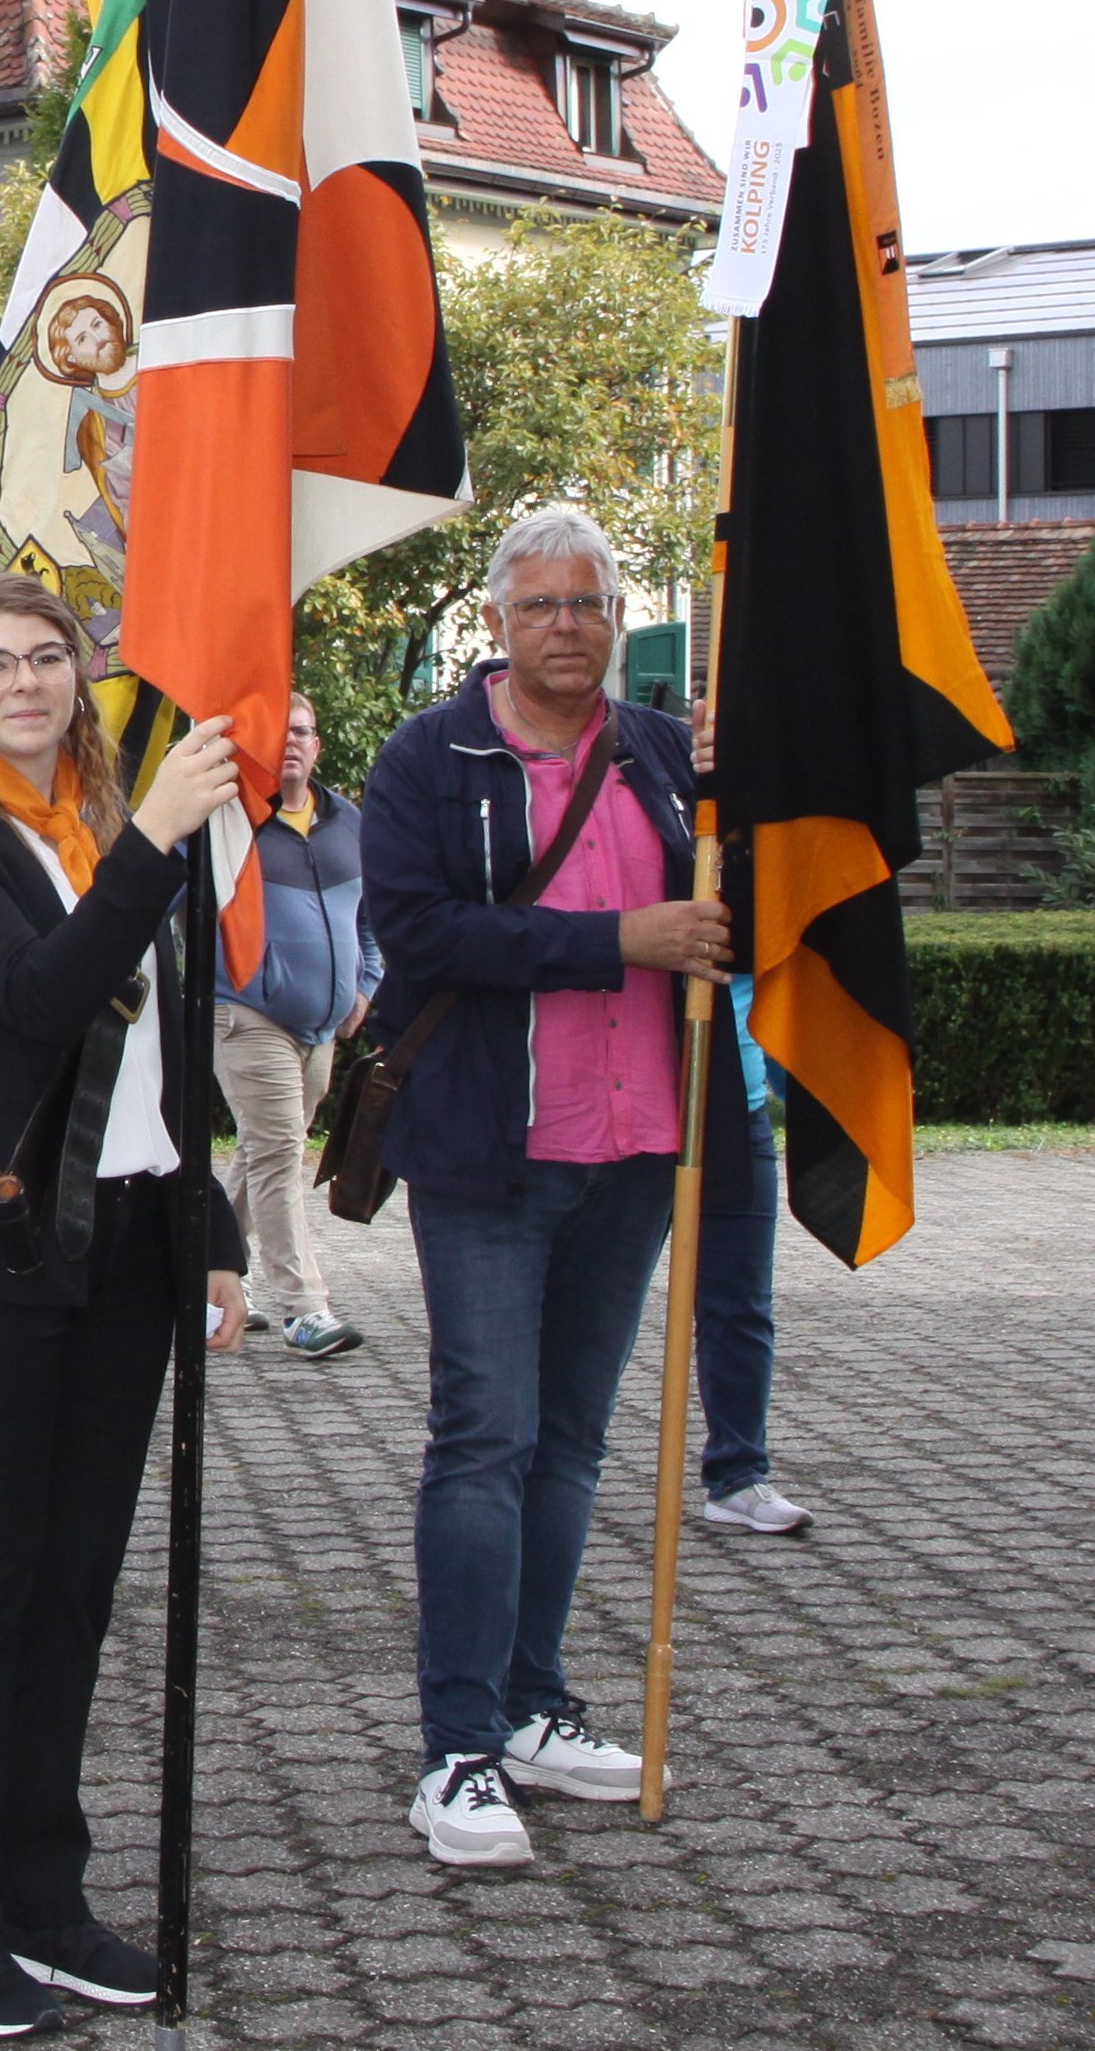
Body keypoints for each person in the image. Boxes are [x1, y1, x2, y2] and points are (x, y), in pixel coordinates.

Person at [0, 572, 248, 2037]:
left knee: (75, 1585)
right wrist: (153, 842)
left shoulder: (94, 823)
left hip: (129, 1246)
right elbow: (36, 1000)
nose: (26, 681)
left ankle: (43, 1891)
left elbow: (164, 1054)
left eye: (49, 658)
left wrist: (208, 1221)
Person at [357, 502, 743, 1870]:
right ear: (496, 621)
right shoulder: (430, 757)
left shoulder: (655, 754)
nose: (566, 628)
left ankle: (531, 1702)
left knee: (574, 1442)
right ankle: (456, 1745)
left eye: (587, 604)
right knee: (485, 1438)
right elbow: (416, 933)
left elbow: (724, 909)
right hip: (488, 1153)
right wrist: (615, 939)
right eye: (541, 606)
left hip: (638, 1149)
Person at [212, 693, 382, 1360]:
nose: (291, 742)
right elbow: (169, 906)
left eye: (303, 731)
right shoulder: (231, 822)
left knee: (262, 1151)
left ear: (317, 746)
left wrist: (366, 985)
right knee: (281, 1150)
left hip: (322, 1027)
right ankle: (304, 1307)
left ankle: (207, 1273)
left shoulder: (347, 823)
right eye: (278, 733)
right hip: (249, 1015)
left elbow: (373, 919)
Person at [698, 977, 807, 1534]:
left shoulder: (759, 892)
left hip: (738, 1114)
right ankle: (554, 1467)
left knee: (739, 1304)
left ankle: (738, 1476)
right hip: (635, 1106)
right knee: (592, 1303)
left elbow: (779, 989)